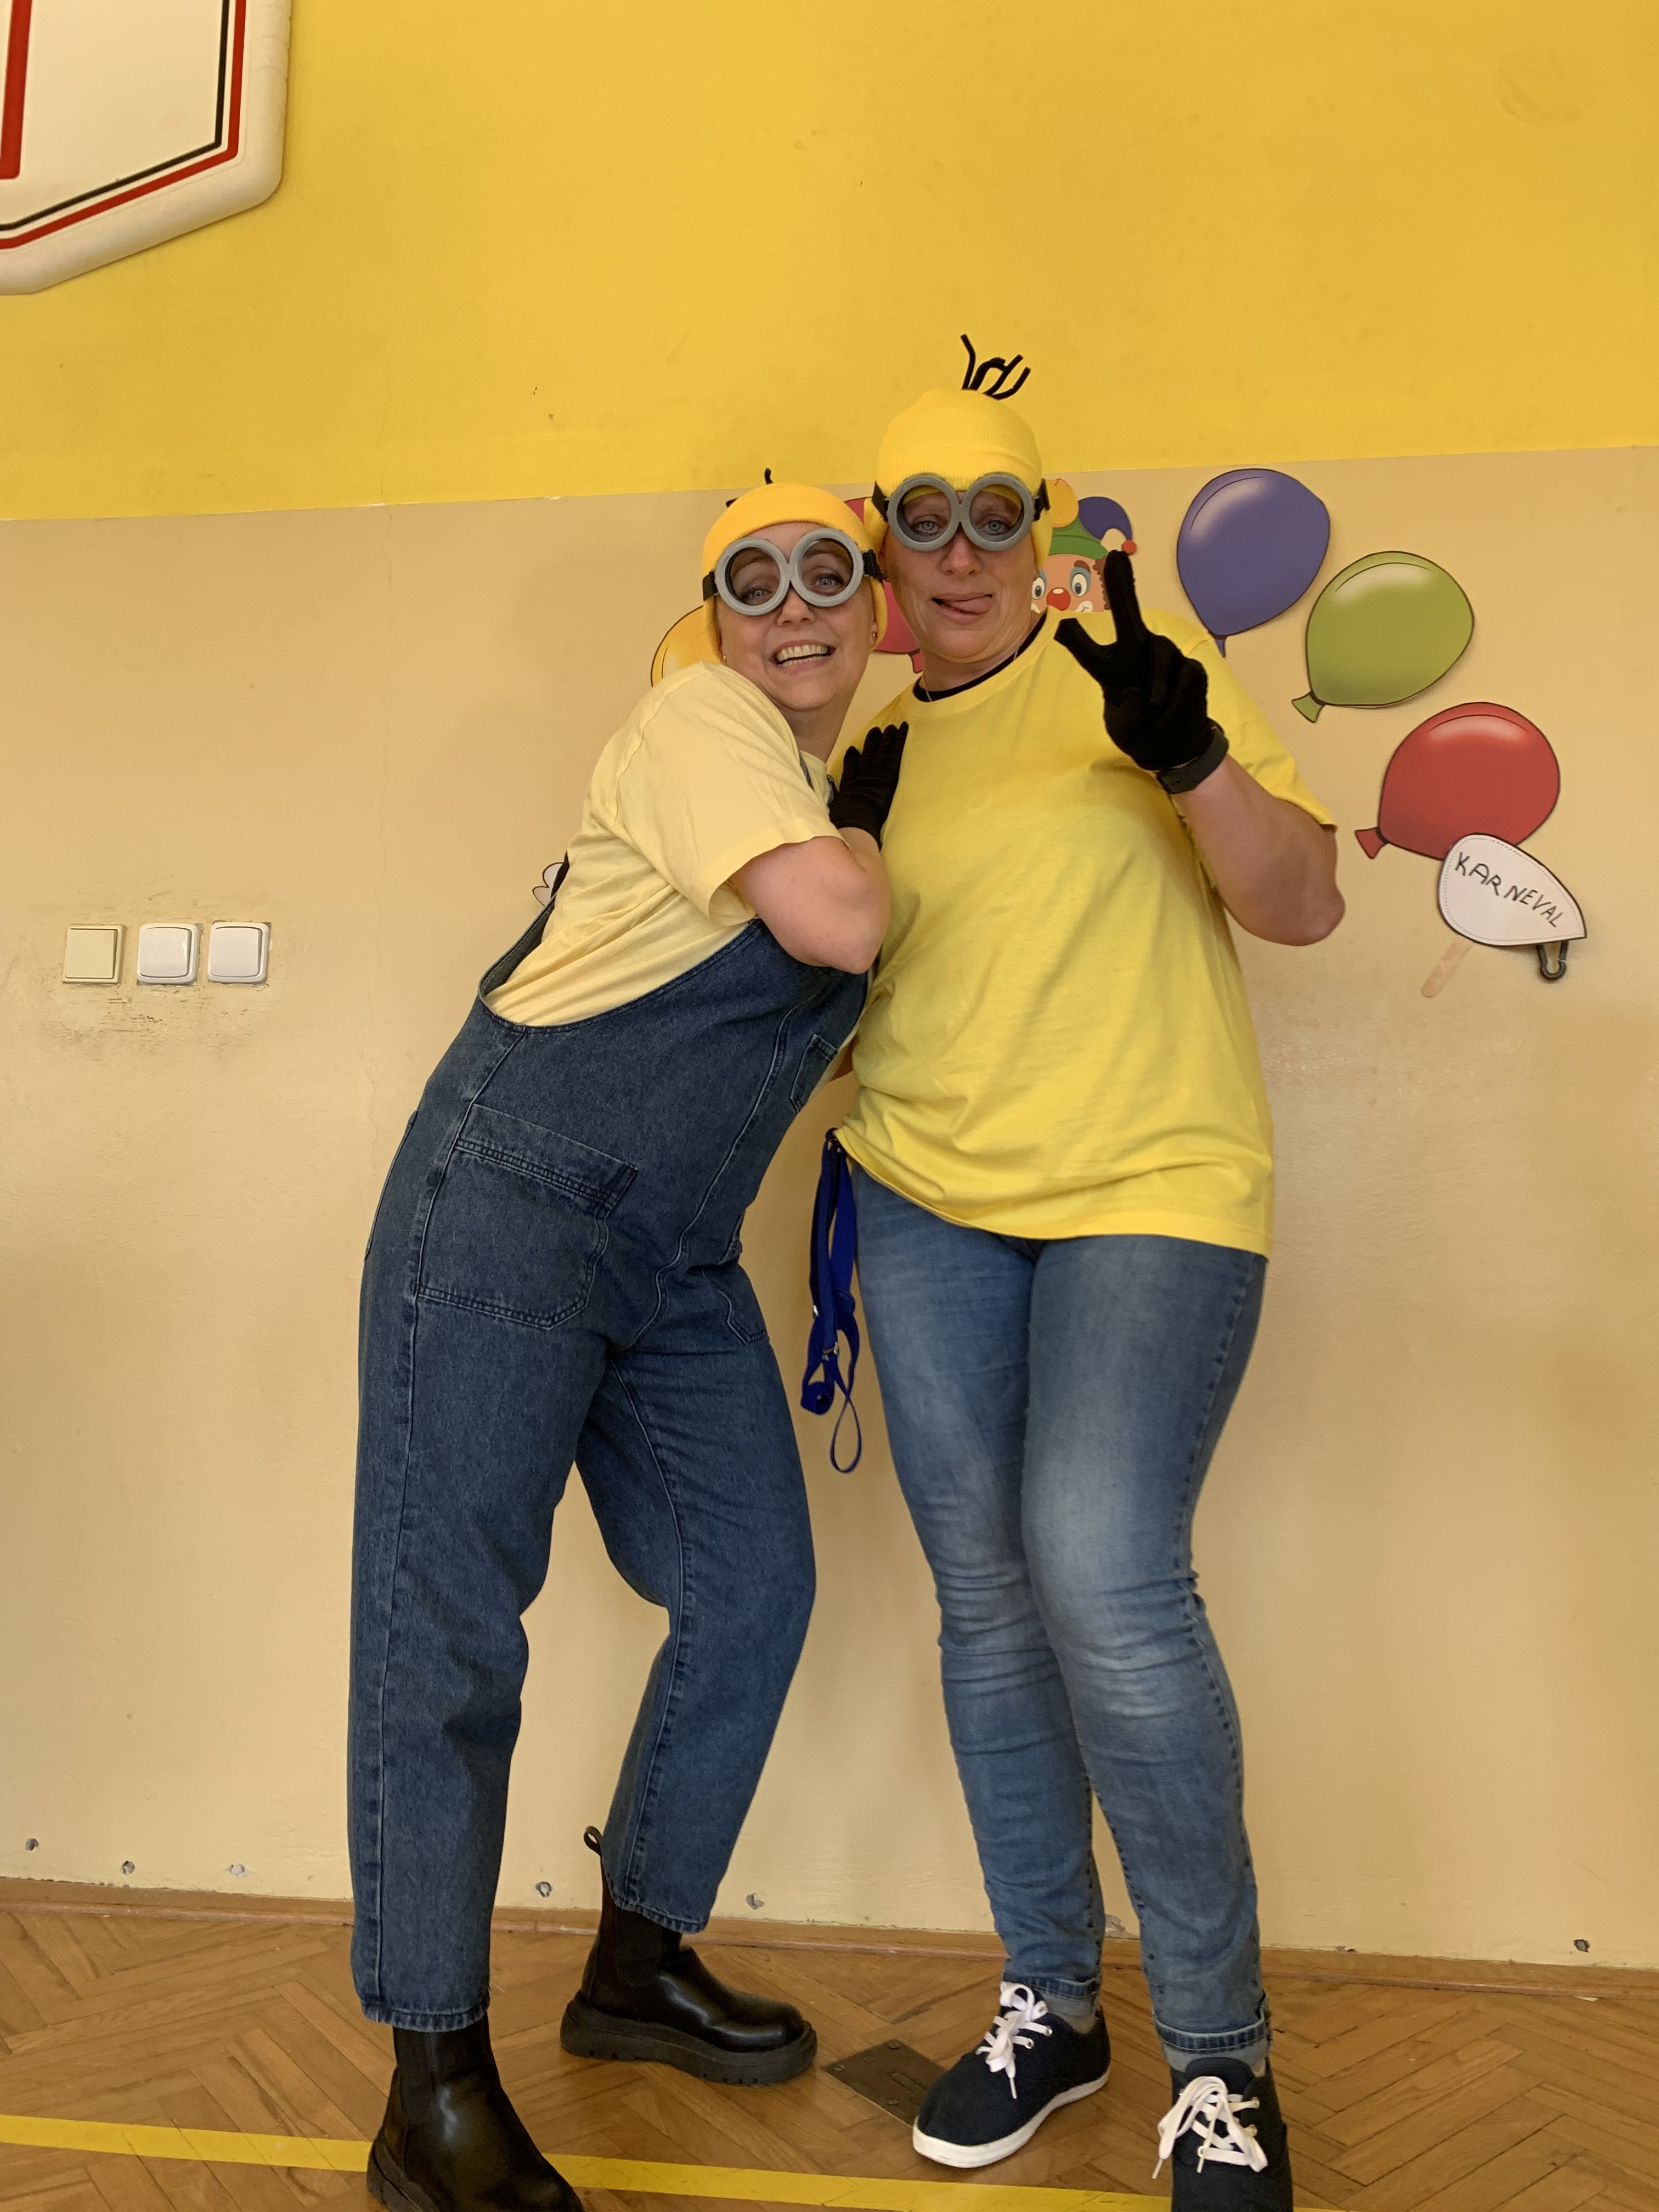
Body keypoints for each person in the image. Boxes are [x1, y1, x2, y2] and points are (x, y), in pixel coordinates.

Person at [349, 484, 907, 2212]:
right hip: (508, 1210)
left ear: (874, 608)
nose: (794, 605)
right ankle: (433, 2089)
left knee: (751, 1590)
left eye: (829, 572)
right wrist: (872, 852)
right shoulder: (701, 722)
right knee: (451, 1638)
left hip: (671, 1257)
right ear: (717, 616)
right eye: (755, 578)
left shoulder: (793, 792)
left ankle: (636, 1963)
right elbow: (840, 926)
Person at [838, 385, 1342, 2211]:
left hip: (1154, 1185)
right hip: (927, 1199)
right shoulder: (873, 754)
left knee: (1106, 1578)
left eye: (996, 513)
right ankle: (1051, 2003)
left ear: (1041, 529)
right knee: (988, 1602)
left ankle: (1221, 2061)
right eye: (923, 517)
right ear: (886, 550)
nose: (961, 550)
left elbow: (1304, 908)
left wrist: (1190, 754)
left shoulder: (1142, 676)